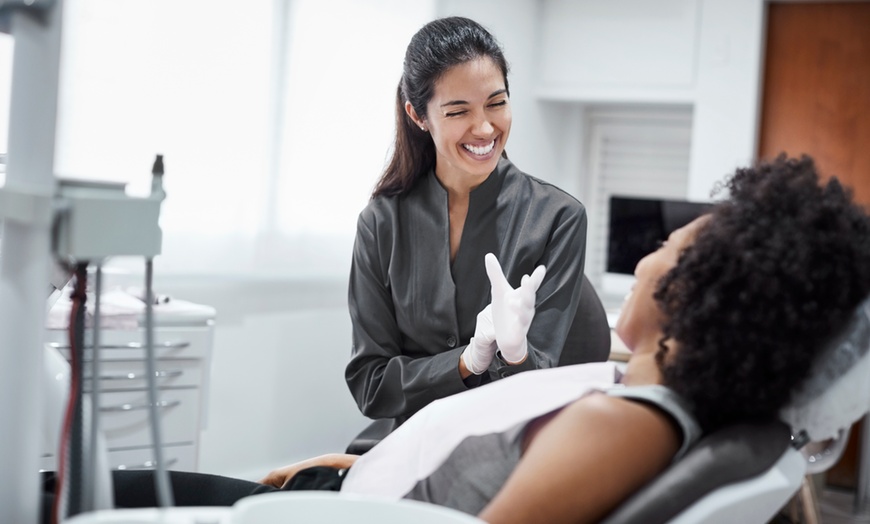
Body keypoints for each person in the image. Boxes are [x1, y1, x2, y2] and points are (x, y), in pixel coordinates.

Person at [44, 154, 870, 524]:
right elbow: (462, 456)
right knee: (80, 479)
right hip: (346, 490)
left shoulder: (622, 426)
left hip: (337, 518)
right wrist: (339, 468)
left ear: (696, 296)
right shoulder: (632, 397)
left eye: (665, 251)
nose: (649, 257)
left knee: (65, 490)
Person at [344, 16, 610, 449]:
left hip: (505, 448)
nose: (485, 128)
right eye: (458, 111)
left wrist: (516, 352)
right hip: (408, 443)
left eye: (496, 103)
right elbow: (371, 385)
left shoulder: (558, 219)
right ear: (418, 115)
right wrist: (465, 362)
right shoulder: (380, 223)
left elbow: (538, 388)